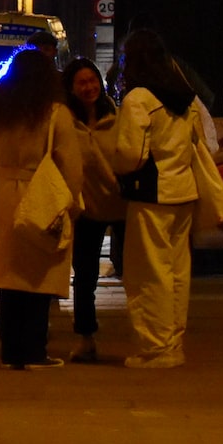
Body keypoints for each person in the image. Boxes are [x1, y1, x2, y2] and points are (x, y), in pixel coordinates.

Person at [114, 28, 214, 368]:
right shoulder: (182, 95)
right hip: (184, 191)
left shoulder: (138, 99)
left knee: (148, 274)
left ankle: (155, 347)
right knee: (176, 273)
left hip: (151, 195)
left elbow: (131, 154)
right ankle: (173, 343)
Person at [0, 49, 85, 369]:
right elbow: (71, 166)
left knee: (10, 275)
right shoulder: (55, 113)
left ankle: (10, 350)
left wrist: (2, 187)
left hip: (7, 192)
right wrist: (72, 203)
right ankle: (34, 350)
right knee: (39, 276)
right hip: (42, 193)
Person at [64, 59, 126, 363]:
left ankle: (146, 334)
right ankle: (84, 336)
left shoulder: (117, 116)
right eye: (81, 82)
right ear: (71, 88)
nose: (89, 87)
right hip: (86, 208)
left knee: (135, 274)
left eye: (92, 81)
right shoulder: (65, 122)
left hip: (122, 205)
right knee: (84, 276)